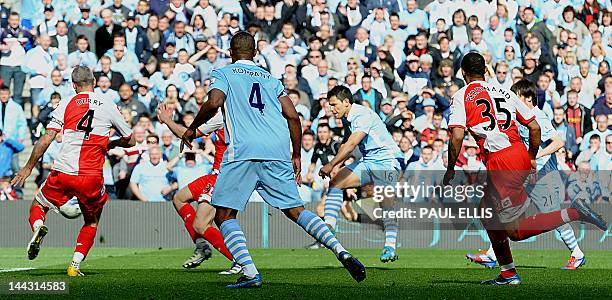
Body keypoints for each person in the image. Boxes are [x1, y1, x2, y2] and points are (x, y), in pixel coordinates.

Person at [180, 32, 365, 288]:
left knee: (223, 215)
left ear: (231, 53)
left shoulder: (224, 73)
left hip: (244, 150)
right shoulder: (270, 79)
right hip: (277, 151)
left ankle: (250, 272)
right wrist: (296, 154)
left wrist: (192, 127)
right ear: (255, 53)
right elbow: (292, 115)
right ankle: (340, 250)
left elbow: (214, 101)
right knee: (296, 211)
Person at [443, 52, 607, 285]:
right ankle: (508, 273)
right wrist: (530, 158)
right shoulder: (504, 92)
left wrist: (451, 167)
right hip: (518, 154)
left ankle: (575, 212)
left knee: (515, 231)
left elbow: (457, 133)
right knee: (486, 210)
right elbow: (534, 126)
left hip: (502, 162)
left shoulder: (462, 95)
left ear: (463, 73)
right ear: (485, 71)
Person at [11, 66, 135, 277]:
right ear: (94, 82)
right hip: (91, 175)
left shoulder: (66, 102)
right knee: (92, 221)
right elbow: (131, 140)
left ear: (74, 85)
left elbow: (47, 137)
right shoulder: (108, 104)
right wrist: (111, 143)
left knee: (39, 204)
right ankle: (74, 265)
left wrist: (28, 167)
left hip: (64, 171)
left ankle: (39, 226)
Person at [466, 79, 587, 270]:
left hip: (544, 173)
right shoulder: (517, 116)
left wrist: (535, 153)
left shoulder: (539, 116)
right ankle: (492, 255)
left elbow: (557, 142)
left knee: (551, 214)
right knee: (504, 210)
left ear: (529, 98)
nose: (513, 100)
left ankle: (577, 253)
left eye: (517, 96)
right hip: (523, 173)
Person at [318, 85, 402, 262]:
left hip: (387, 160)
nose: (332, 109)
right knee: (336, 182)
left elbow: (352, 145)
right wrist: (335, 166)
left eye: (334, 105)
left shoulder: (361, 114)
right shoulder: (348, 117)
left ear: (346, 102)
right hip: (369, 161)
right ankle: (329, 226)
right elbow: (345, 144)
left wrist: (331, 163)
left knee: (385, 204)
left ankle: (390, 246)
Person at [156, 103, 240, 274]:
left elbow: (186, 134)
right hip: (218, 172)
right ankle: (202, 246)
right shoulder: (245, 115)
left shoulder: (223, 115)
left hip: (222, 175)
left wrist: (167, 121)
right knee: (179, 199)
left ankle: (239, 260)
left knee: (201, 224)